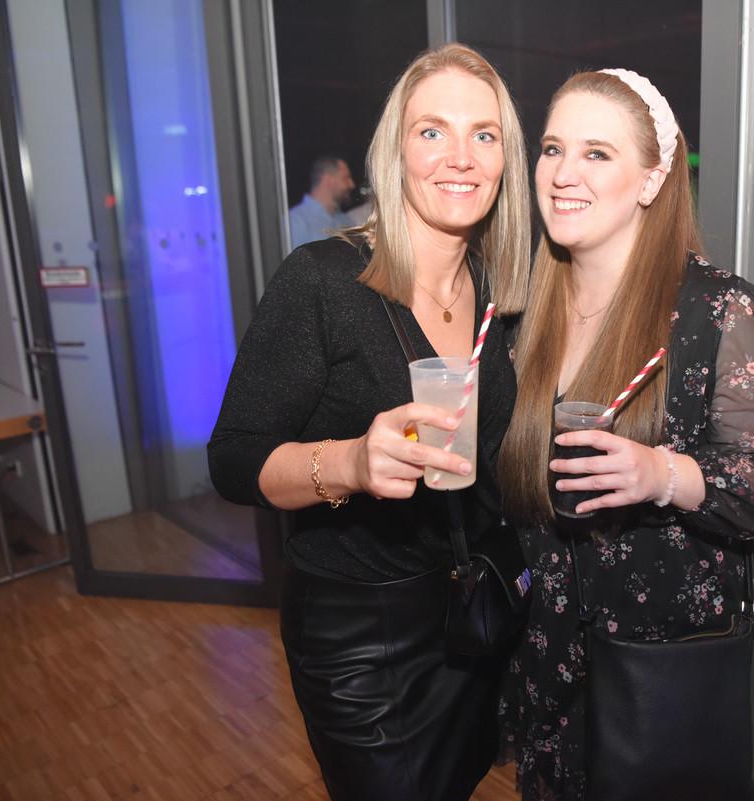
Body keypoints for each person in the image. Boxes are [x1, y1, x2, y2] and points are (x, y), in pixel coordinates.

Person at [494, 69, 754, 800]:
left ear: (651, 180)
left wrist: (665, 475)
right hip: (547, 668)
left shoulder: (718, 312)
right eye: (552, 149)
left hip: (659, 683)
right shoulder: (524, 316)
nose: (563, 173)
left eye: (597, 153)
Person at [208, 43, 531, 801]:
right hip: (359, 637)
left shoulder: (500, 293)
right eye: (432, 131)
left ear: (504, 160)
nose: (460, 156)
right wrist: (352, 462)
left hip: (468, 614)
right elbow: (233, 458)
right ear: (395, 151)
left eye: (484, 134)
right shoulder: (323, 281)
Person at [288, 154, 356, 248]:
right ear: (328, 180)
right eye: (345, 178)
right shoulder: (295, 221)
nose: (352, 184)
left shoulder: (345, 220)